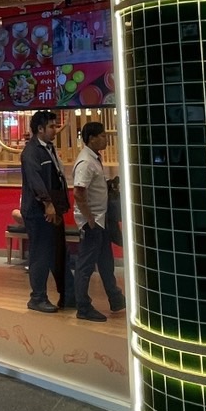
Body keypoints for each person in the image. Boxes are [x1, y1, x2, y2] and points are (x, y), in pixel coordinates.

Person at [71, 122, 125, 321]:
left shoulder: (94, 159)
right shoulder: (86, 162)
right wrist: (89, 219)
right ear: (91, 138)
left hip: (100, 221)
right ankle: (83, 307)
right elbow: (79, 193)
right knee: (85, 266)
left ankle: (116, 298)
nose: (105, 139)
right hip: (92, 222)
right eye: (102, 136)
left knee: (106, 262)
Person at [21, 110, 73, 312]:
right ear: (40, 129)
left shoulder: (49, 148)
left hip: (54, 209)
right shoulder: (31, 152)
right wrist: (48, 204)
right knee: (41, 254)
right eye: (51, 126)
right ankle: (37, 298)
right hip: (38, 212)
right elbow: (35, 181)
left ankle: (68, 296)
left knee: (59, 253)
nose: (55, 130)